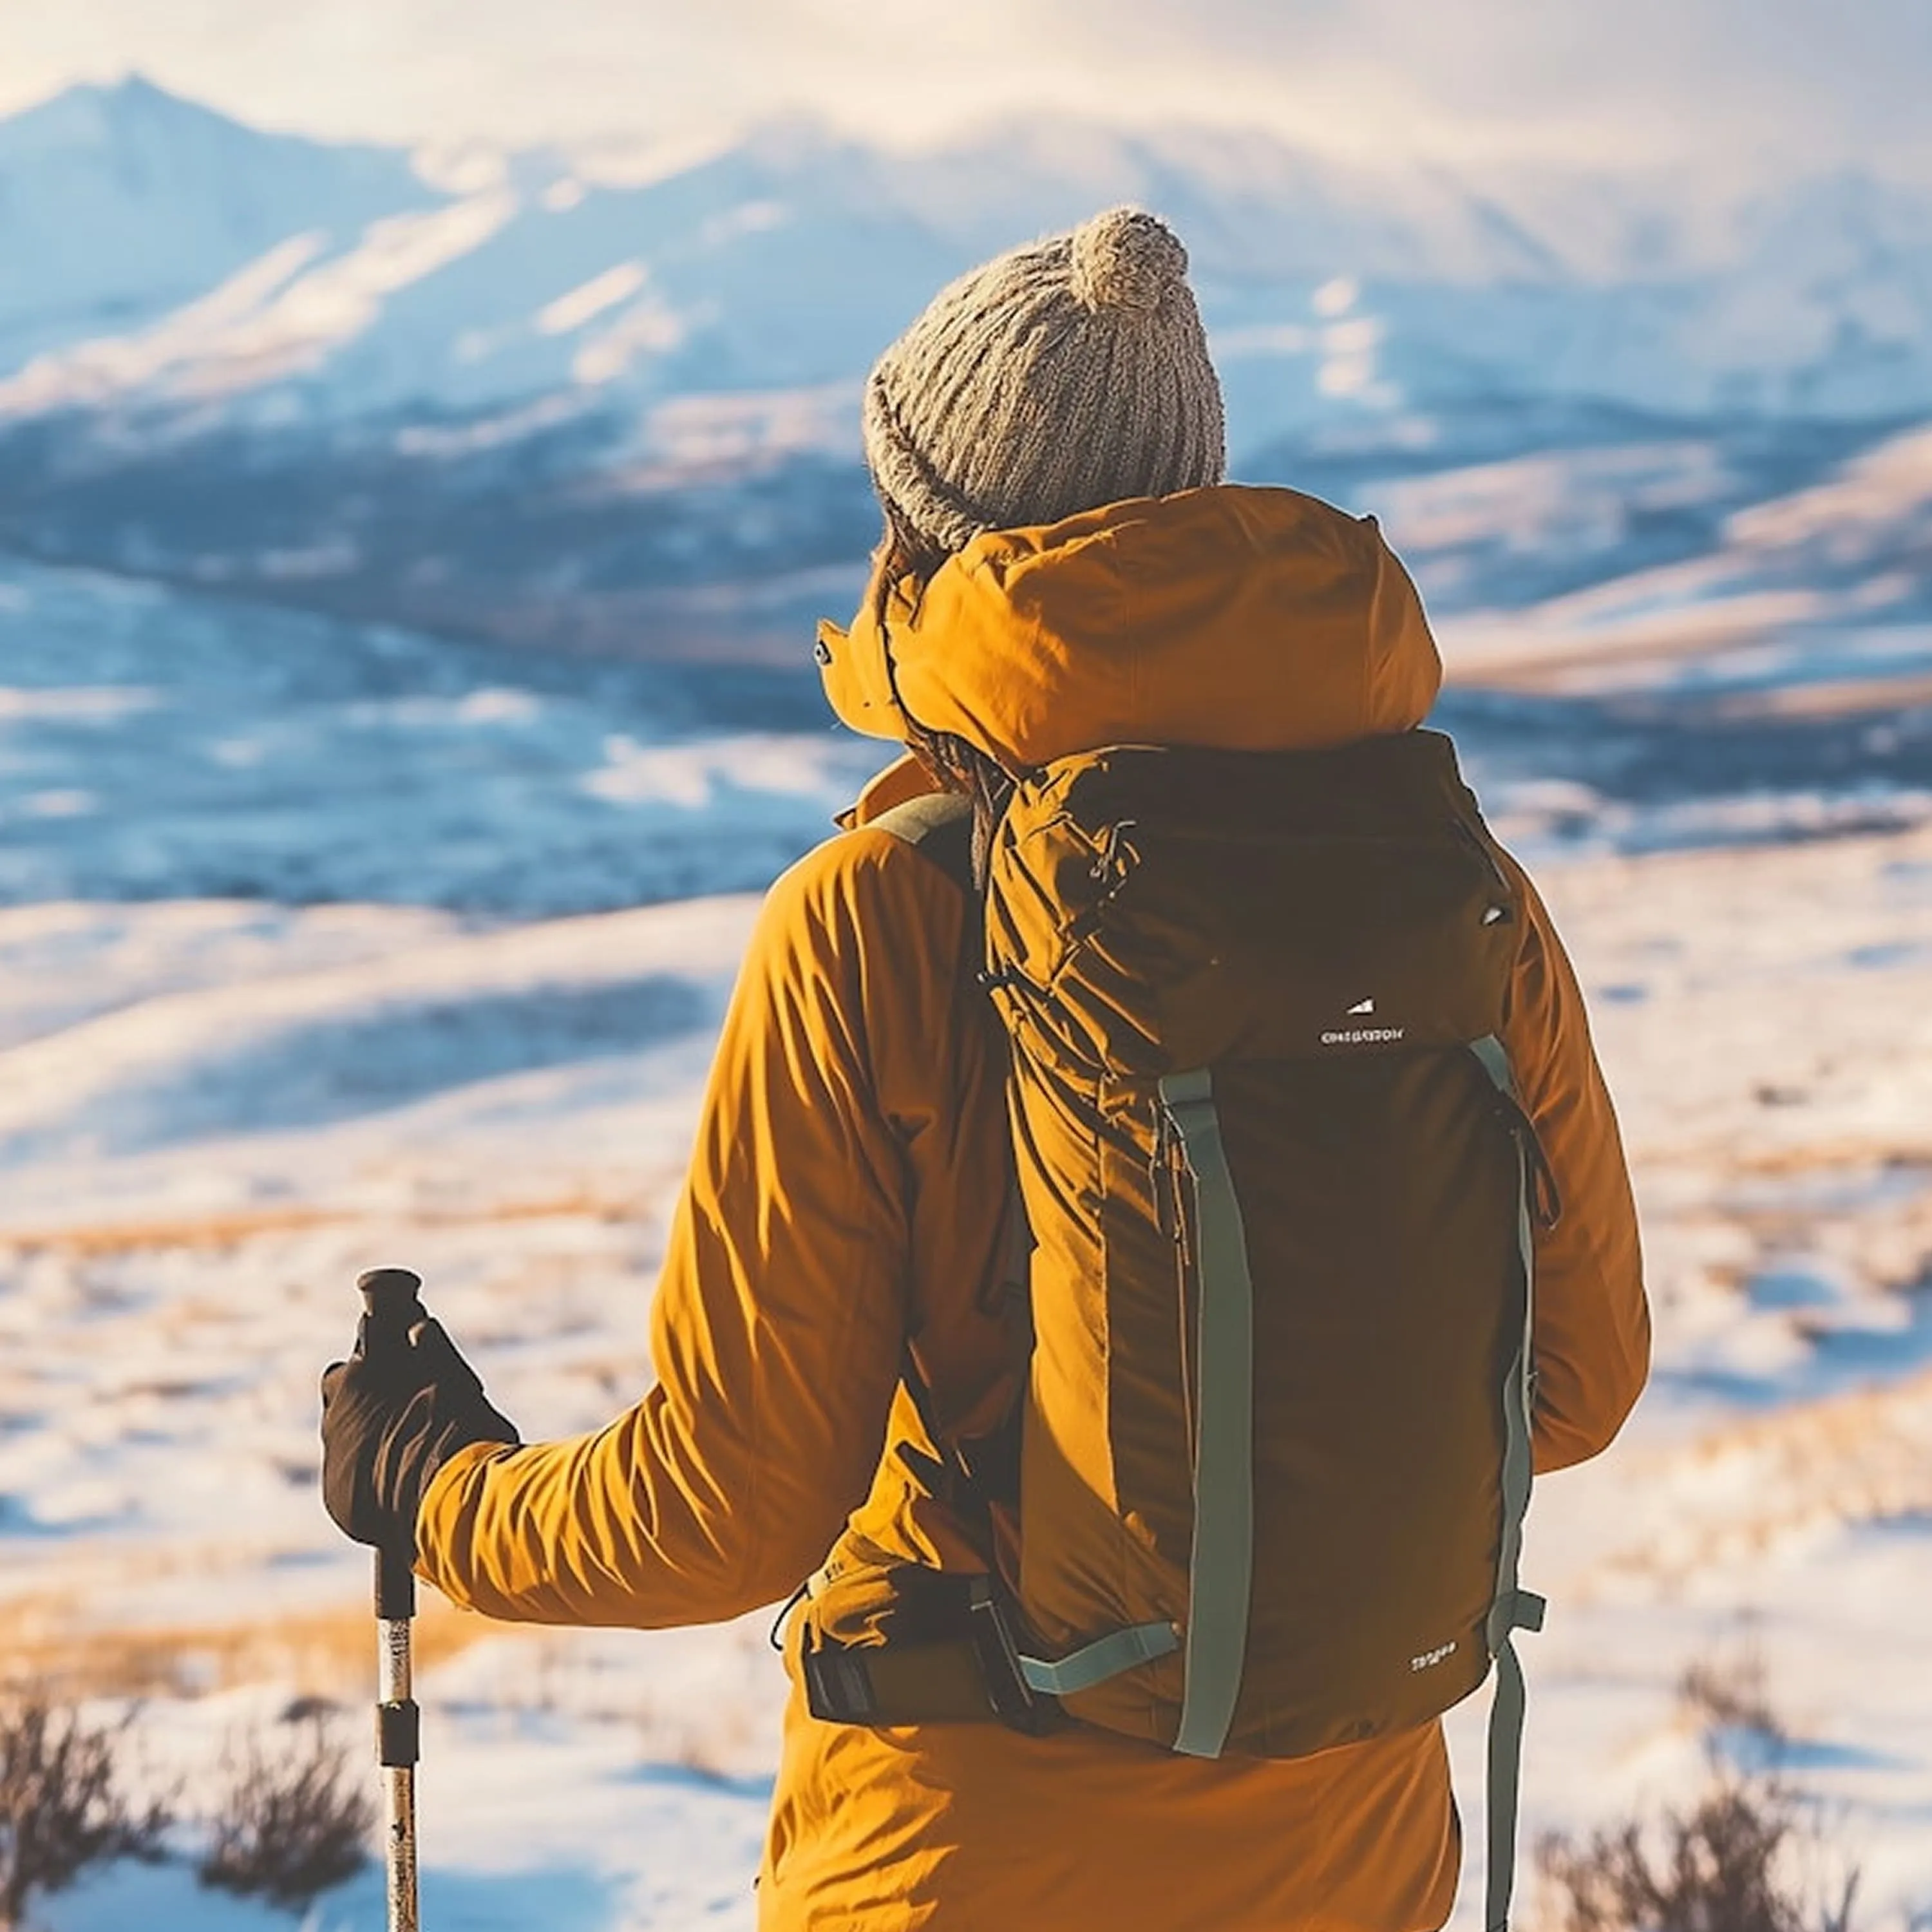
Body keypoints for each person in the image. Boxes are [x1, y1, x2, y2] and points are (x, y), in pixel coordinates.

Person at [322, 207, 1649, 1931]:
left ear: (924, 551)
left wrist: (440, 1493)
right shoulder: (1455, 889)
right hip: (1355, 1860)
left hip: (959, 1866)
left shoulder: (876, 918)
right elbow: (1580, 1383)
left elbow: (727, 1514)